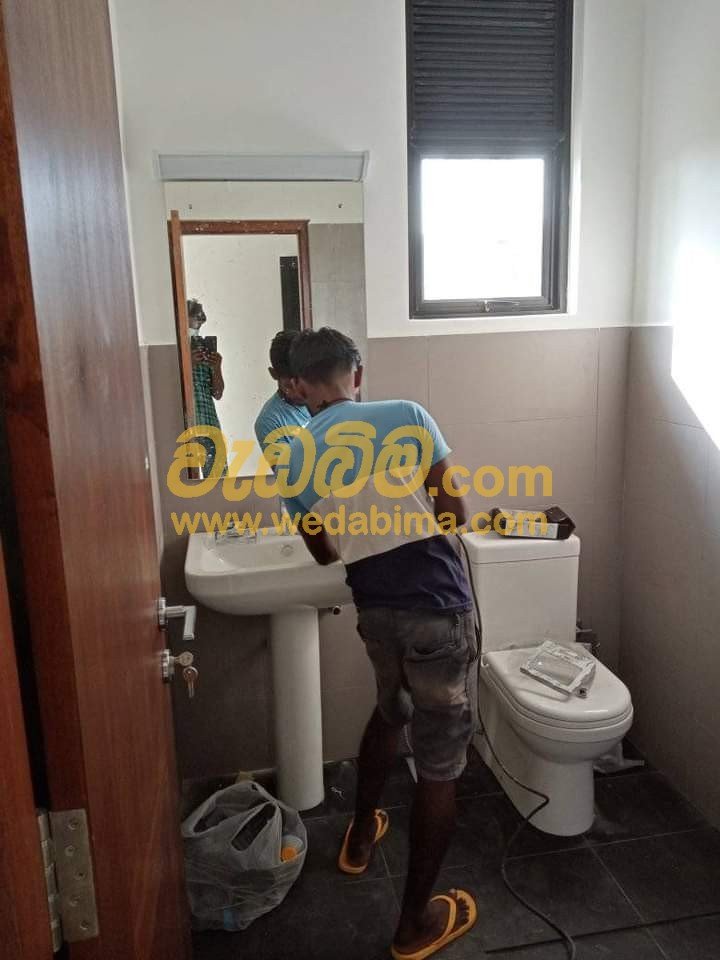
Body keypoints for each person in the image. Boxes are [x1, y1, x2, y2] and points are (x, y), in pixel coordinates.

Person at [283, 327, 478, 960]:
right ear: (357, 374)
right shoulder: (408, 416)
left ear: (300, 387)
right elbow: (455, 516)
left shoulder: (293, 454)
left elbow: (323, 552)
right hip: (437, 610)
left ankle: (361, 836)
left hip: (377, 615)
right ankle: (412, 926)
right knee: (440, 767)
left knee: (391, 711)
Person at [254, 330, 311, 470]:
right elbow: (289, 476)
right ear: (273, 374)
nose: (297, 391)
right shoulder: (269, 421)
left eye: (302, 382)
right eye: (288, 386)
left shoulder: (327, 398)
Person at [187, 298, 225, 476]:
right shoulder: (177, 351)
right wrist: (188, 364)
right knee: (188, 478)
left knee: (218, 478)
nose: (202, 320)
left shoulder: (202, 348)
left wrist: (217, 367)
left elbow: (218, 393)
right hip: (187, 424)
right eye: (197, 315)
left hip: (209, 421)